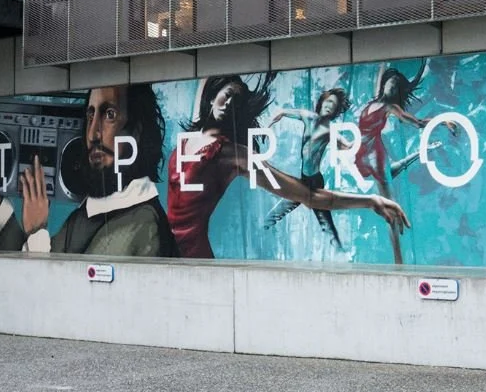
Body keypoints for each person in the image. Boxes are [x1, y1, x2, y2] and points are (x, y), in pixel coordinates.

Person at [166, 74, 410, 259]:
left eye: (237, 101)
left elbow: (309, 196)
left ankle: (340, 250)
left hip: (192, 254)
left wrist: (370, 201)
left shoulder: (234, 154)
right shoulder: (188, 137)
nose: (230, 103)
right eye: (227, 94)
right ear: (212, 96)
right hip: (164, 248)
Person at [0, 84, 178, 257]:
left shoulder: (141, 226)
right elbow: (15, 270)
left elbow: (52, 293)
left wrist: (37, 232)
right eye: (90, 115)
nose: (92, 134)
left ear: (136, 132)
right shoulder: (94, 212)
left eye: (109, 114)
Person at [351, 62, 456, 264]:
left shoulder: (391, 108)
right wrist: (382, 61)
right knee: (387, 190)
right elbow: (380, 73)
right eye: (389, 83)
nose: (390, 87)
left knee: (388, 208)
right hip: (361, 155)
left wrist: (442, 121)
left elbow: (418, 123)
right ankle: (416, 156)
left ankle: (398, 259)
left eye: (395, 86)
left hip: (375, 156)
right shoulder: (375, 99)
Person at [263, 87, 351, 248]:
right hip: (304, 179)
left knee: (325, 222)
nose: (330, 106)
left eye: (334, 105)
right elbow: (282, 112)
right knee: (280, 210)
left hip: (315, 182)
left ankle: (338, 249)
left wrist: (352, 144)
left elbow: (347, 145)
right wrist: (268, 126)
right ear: (322, 102)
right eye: (329, 101)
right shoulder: (308, 117)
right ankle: (264, 229)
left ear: (335, 111)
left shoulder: (331, 130)